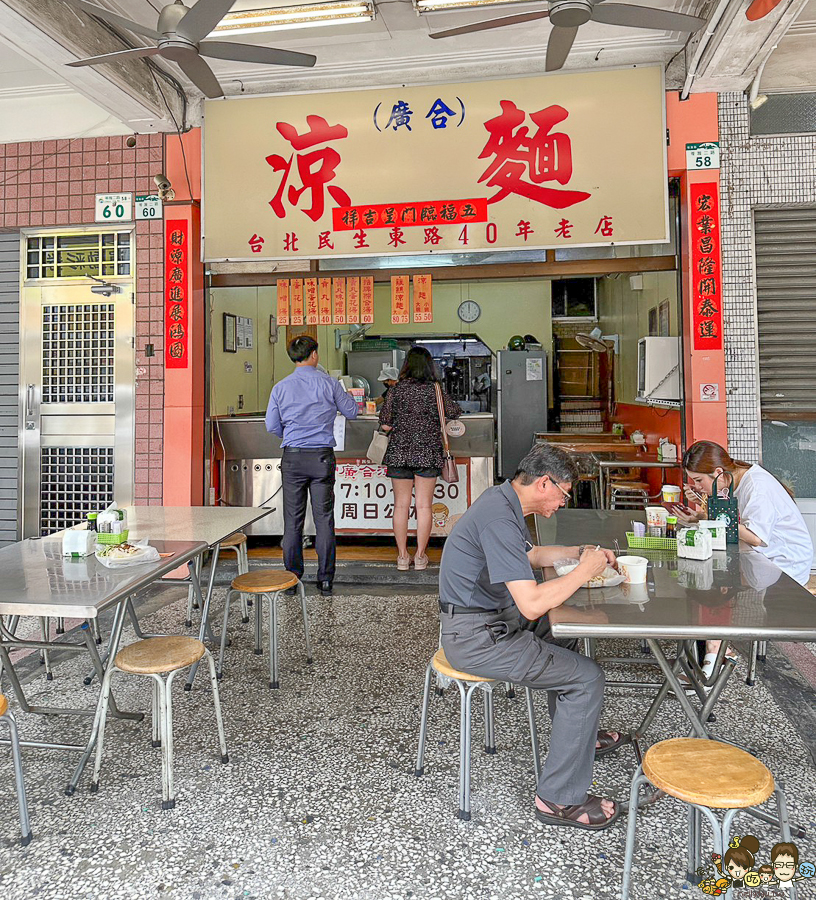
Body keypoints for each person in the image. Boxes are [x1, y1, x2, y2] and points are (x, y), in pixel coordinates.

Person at [438, 442, 627, 831]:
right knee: (586, 677)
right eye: (564, 493)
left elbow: (532, 555)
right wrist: (584, 570)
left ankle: (578, 738)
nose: (563, 501)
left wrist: (578, 552)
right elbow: (531, 604)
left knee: (567, 629)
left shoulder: (501, 500)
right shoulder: (499, 517)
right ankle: (558, 799)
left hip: (490, 621)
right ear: (545, 483)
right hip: (477, 637)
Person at [676, 441, 814, 680]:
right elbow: (734, 522)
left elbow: (757, 537)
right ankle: (709, 651)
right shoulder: (732, 478)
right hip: (760, 554)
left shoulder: (756, 487)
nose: (696, 486)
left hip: (782, 564)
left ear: (717, 472)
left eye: (699, 480)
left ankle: (715, 655)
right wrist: (701, 516)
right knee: (709, 570)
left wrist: (712, 515)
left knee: (713, 581)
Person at [265, 335, 359, 596]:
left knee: (292, 521)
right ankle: (325, 579)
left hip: (293, 457)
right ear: (314, 355)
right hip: (321, 457)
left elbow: (272, 426)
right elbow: (352, 412)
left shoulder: (281, 387)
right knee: (324, 519)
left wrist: (293, 432)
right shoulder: (329, 383)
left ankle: (292, 578)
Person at [379, 347, 461, 571]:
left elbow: (385, 422)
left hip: (399, 453)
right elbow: (454, 411)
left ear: (406, 365)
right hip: (427, 453)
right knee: (424, 506)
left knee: (400, 506)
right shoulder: (434, 390)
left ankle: (403, 557)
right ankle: (421, 556)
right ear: (428, 366)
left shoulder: (396, 391)